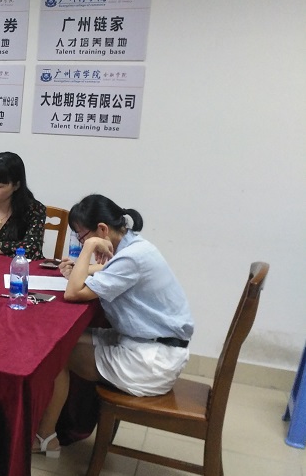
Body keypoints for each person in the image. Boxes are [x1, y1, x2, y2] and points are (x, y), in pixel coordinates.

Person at [32, 194, 193, 458]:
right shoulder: (134, 247)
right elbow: (107, 270)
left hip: (151, 360)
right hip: (147, 343)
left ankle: (46, 437)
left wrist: (87, 252)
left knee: (56, 354)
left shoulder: (132, 257)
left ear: (102, 230)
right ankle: (56, 426)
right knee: (64, 340)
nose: (81, 242)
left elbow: (73, 293)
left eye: (82, 237)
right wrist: (82, 268)